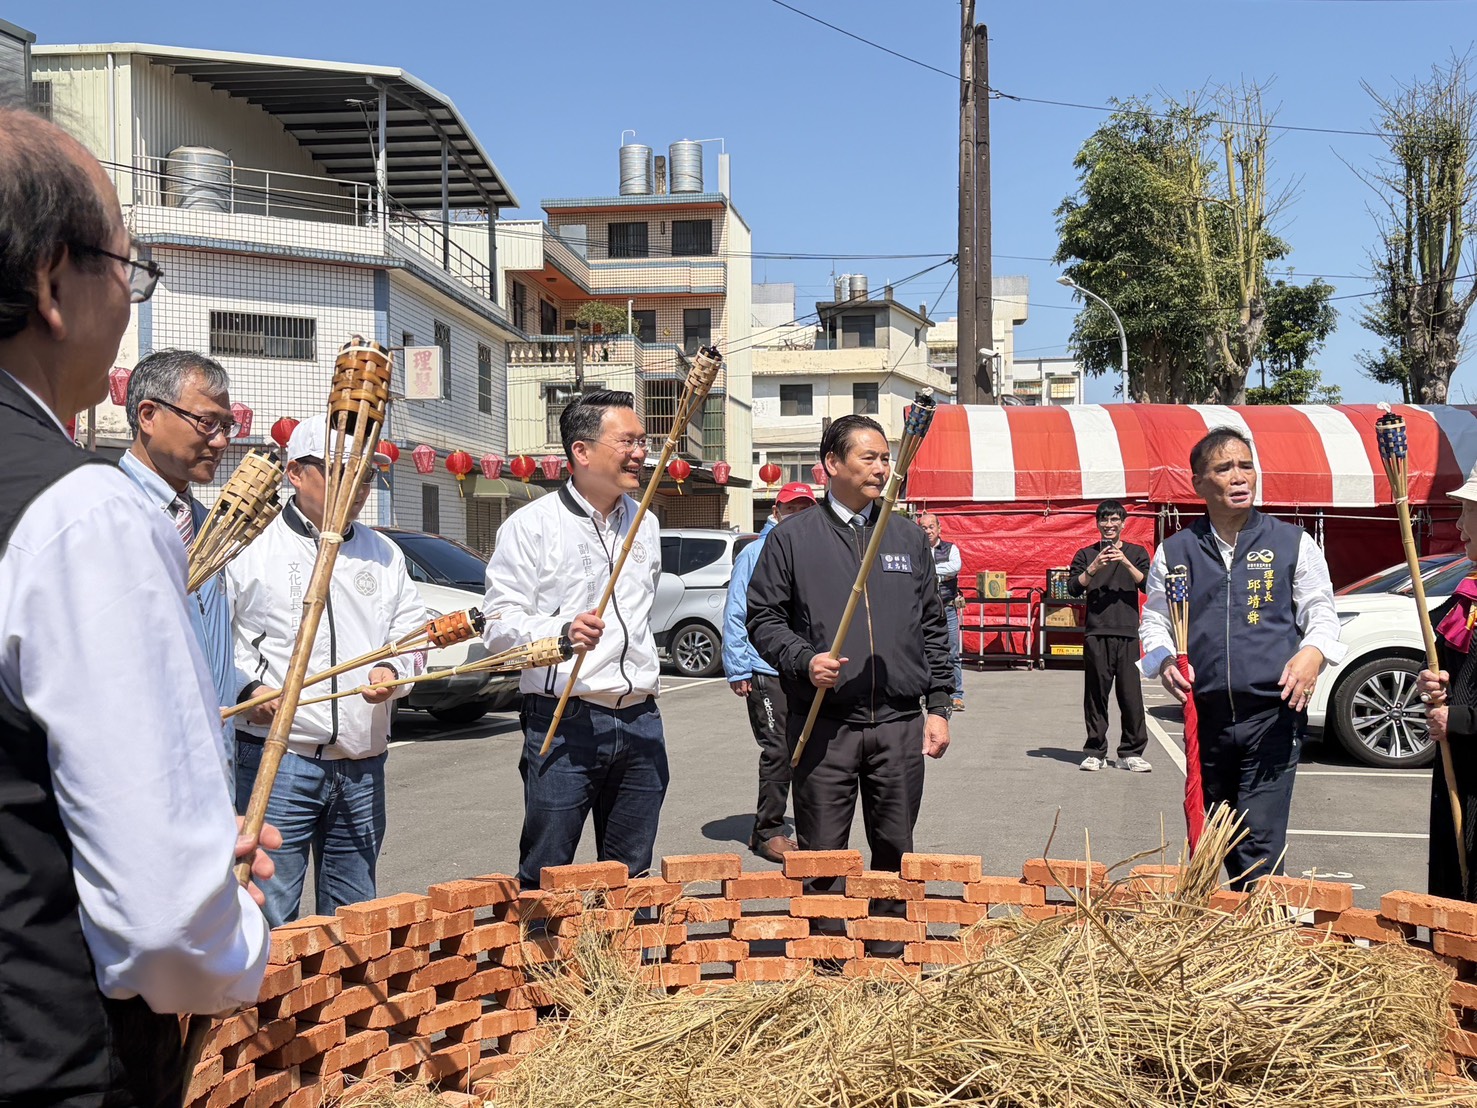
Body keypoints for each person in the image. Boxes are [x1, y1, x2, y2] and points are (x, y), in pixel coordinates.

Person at [0, 104, 271, 1104]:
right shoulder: (80, 512)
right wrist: (223, 916)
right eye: (127, 268)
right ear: (49, 283)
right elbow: (165, 922)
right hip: (48, 1044)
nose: (131, 296)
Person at [747, 414, 952, 947]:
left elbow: (932, 626)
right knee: (822, 851)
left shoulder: (905, 536)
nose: (882, 468)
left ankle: (887, 948)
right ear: (831, 464)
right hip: (824, 725)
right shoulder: (792, 539)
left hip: (901, 723)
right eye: (869, 457)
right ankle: (826, 953)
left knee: (894, 846)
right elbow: (763, 619)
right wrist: (802, 659)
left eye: (886, 458)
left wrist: (940, 706)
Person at [229, 413, 426, 926]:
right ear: (296, 473)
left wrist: (392, 668)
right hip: (279, 756)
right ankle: (266, 1007)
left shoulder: (383, 553)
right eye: (343, 473)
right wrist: (251, 685)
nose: (359, 488)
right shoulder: (253, 545)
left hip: (362, 762)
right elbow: (220, 639)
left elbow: (413, 632)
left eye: (367, 475)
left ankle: (342, 1008)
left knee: (355, 914)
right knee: (270, 915)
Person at [1140, 427, 1344, 889]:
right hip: (1205, 714)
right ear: (1198, 483)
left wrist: (1313, 653)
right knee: (1215, 835)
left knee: (1261, 835)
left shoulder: (1294, 543)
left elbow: (1321, 612)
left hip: (1272, 714)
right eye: (1224, 468)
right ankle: (1228, 930)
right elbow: (1154, 621)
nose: (1239, 476)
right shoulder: (1176, 551)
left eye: (1246, 465)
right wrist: (1165, 660)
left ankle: (1260, 936)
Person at [483, 390, 668, 891]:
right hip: (565, 719)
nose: (640, 452)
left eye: (643, 441)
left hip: (640, 717)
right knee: (549, 867)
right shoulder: (531, 526)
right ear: (581, 452)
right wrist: (559, 633)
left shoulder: (645, 522)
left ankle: (625, 967)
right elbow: (497, 624)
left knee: (633, 871)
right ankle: (541, 966)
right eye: (627, 441)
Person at [119, 349, 241, 778]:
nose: (222, 440)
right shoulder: (106, 514)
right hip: (144, 772)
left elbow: (207, 646)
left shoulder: (210, 525)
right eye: (207, 422)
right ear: (148, 415)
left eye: (227, 426)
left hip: (217, 763)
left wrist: (245, 687)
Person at [723, 481, 817, 863]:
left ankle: (812, 827)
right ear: (776, 513)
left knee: (808, 747)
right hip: (765, 667)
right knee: (778, 749)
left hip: (805, 667)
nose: (797, 515)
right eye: (790, 509)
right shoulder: (756, 552)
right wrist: (737, 666)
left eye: (804, 508)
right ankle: (767, 830)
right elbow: (735, 610)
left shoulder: (814, 549)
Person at [1417, 474, 1477, 902]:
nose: (1458, 525)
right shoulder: (1464, 598)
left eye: (1468, 511)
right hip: (1459, 763)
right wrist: (1431, 681)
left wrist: (1459, 717)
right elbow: (1441, 664)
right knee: (1452, 889)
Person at [1067, 499, 1152, 772]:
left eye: (1115, 520)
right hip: (1096, 631)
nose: (1109, 525)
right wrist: (1094, 567)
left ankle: (1130, 752)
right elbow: (1072, 588)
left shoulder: (1137, 553)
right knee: (1095, 694)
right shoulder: (1085, 554)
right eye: (1104, 520)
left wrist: (1123, 560)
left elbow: (1148, 584)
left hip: (1127, 632)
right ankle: (1095, 750)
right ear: (1097, 523)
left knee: (1130, 695)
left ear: (1123, 523)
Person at [918, 511, 966, 712]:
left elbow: (955, 567)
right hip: (922, 610)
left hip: (947, 608)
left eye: (931, 527)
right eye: (924, 528)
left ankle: (956, 694)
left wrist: (930, 571)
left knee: (952, 652)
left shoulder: (951, 548)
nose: (928, 531)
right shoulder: (916, 549)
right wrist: (939, 571)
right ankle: (924, 692)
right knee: (922, 652)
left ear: (939, 529)